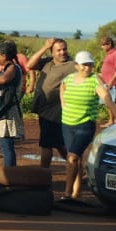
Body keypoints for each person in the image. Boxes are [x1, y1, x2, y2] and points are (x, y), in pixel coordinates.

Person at [59, 50, 115, 201]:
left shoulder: (95, 80)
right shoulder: (69, 79)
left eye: (90, 65)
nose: (87, 68)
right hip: (67, 123)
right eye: (83, 65)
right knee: (74, 159)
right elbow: (62, 88)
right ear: (76, 65)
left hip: (85, 124)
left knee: (72, 158)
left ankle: (67, 194)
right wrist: (64, 105)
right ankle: (77, 193)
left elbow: (107, 98)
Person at [26, 37, 76, 168]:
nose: (62, 52)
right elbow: (29, 65)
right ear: (52, 52)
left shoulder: (72, 65)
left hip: (55, 109)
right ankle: (78, 169)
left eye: (64, 49)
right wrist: (44, 47)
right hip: (44, 108)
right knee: (59, 143)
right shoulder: (47, 62)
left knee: (46, 144)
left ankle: (44, 174)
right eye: (58, 50)